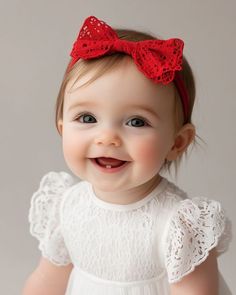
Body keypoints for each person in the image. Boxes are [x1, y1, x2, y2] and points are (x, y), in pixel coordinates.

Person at [22, 16, 232, 295]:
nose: (107, 137)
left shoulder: (179, 225)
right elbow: (47, 282)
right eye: (87, 117)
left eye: (136, 122)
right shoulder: (65, 206)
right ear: (62, 128)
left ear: (177, 142)